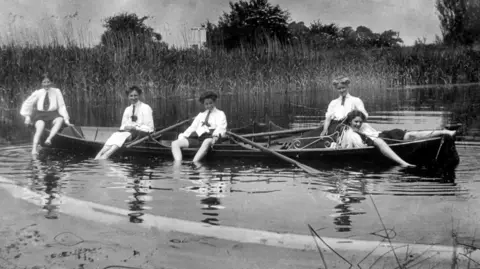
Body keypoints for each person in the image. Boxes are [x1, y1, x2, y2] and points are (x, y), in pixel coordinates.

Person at [340, 110, 456, 167]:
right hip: (380, 141)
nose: (358, 124)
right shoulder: (349, 134)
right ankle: (403, 163)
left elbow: (376, 134)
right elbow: (348, 147)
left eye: (360, 122)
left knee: (411, 135)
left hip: (385, 135)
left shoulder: (364, 127)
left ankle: (445, 132)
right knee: (381, 141)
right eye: (356, 122)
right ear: (350, 121)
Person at [95, 86, 154, 160]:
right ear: (128, 97)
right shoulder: (127, 109)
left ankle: (106, 155)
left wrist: (135, 127)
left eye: (135, 95)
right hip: (129, 132)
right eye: (131, 96)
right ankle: (98, 156)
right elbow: (122, 126)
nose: (133, 98)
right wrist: (126, 127)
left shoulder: (146, 108)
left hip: (143, 133)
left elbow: (150, 128)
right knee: (115, 134)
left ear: (139, 95)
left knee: (124, 135)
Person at [20, 75, 73, 155]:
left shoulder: (56, 91)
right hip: (40, 115)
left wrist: (66, 120)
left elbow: (61, 106)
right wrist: (27, 117)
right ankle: (34, 149)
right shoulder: (38, 93)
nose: (46, 84)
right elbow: (27, 103)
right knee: (40, 127)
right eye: (44, 82)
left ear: (51, 82)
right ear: (41, 83)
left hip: (53, 114)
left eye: (48, 82)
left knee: (60, 120)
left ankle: (49, 138)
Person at [171, 91, 227, 163]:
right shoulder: (201, 115)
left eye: (211, 103)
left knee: (206, 141)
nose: (209, 106)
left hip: (211, 138)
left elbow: (221, 127)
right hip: (198, 139)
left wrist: (215, 136)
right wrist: (183, 136)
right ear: (203, 104)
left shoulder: (220, 114)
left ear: (214, 102)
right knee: (175, 143)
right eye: (206, 104)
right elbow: (192, 128)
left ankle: (194, 162)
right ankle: (178, 165)